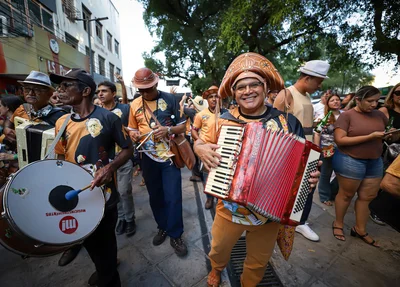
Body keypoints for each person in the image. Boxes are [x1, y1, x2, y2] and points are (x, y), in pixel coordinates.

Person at [194, 52, 321, 287]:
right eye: (241, 87)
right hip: (229, 208)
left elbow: (303, 163)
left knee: (258, 261)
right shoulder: (221, 121)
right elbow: (200, 143)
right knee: (219, 248)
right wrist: (199, 147)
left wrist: (310, 177)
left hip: (269, 213)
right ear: (234, 93)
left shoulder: (287, 122)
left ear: (265, 89)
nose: (248, 91)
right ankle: (216, 269)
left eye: (254, 85)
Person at [50, 68, 133, 287]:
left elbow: (127, 149)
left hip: (104, 197)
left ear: (86, 90)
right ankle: (104, 269)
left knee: (105, 244)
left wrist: (110, 168)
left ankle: (108, 277)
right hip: (76, 197)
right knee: (89, 242)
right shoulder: (61, 123)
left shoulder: (108, 118)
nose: (60, 90)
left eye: (66, 85)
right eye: (59, 86)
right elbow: (59, 158)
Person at [128, 67, 188, 257]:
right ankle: (162, 226)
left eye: (148, 88)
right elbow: (131, 129)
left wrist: (169, 131)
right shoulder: (134, 104)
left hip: (169, 157)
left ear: (156, 83)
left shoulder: (170, 99)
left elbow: (183, 127)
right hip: (148, 157)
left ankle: (176, 234)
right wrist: (134, 134)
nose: (145, 92)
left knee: (173, 196)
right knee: (155, 196)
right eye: (141, 90)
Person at [274, 60, 330, 242]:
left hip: (309, 149)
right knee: (286, 188)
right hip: (292, 151)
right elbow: (274, 126)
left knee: (308, 188)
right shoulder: (286, 94)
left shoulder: (306, 96)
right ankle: (281, 219)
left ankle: (301, 222)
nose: (320, 85)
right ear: (307, 78)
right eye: (318, 81)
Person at [332, 86, 388, 246]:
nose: (374, 104)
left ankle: (360, 229)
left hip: (375, 161)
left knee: (367, 197)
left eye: (377, 100)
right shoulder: (347, 116)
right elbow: (340, 140)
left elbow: (385, 132)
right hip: (350, 160)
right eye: (370, 101)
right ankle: (338, 224)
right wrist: (370, 136)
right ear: (358, 99)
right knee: (346, 194)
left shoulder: (379, 115)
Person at [97, 81, 136, 237]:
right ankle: (121, 218)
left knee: (125, 190)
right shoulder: (96, 113)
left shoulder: (125, 109)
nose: (100, 94)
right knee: (113, 192)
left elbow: (134, 128)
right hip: (106, 161)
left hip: (124, 157)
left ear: (113, 94)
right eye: (98, 91)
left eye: (104, 91)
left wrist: (123, 129)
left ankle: (130, 218)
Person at [192, 85, 226, 209]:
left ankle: (220, 199)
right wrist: (201, 143)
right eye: (211, 97)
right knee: (207, 176)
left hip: (222, 149)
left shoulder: (226, 113)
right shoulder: (201, 114)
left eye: (216, 96)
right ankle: (209, 198)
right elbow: (194, 130)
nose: (213, 99)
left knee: (221, 174)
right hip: (206, 149)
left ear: (220, 98)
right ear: (207, 100)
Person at [313, 94, 342, 206]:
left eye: (337, 100)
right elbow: (317, 133)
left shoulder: (345, 115)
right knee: (326, 172)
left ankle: (333, 193)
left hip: (342, 149)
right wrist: (317, 148)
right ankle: (324, 196)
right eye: (332, 100)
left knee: (341, 173)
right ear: (328, 104)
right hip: (327, 148)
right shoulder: (323, 117)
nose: (335, 102)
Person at [179, 94, 207, 182]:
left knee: (194, 156)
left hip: (194, 137)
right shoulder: (205, 112)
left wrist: (183, 99)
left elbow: (180, 107)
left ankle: (197, 175)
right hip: (203, 136)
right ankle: (204, 174)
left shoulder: (192, 112)